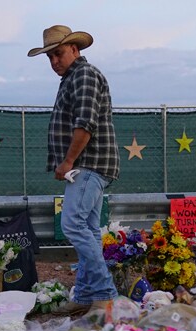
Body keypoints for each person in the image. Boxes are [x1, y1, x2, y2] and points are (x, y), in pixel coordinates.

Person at [28, 25, 120, 315]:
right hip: (88, 165)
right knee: (89, 229)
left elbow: (85, 124)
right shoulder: (73, 77)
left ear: (74, 49)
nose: (54, 61)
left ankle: (105, 295)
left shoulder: (84, 75)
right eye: (50, 57)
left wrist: (68, 161)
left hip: (88, 164)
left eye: (58, 54)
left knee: (73, 225)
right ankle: (84, 294)